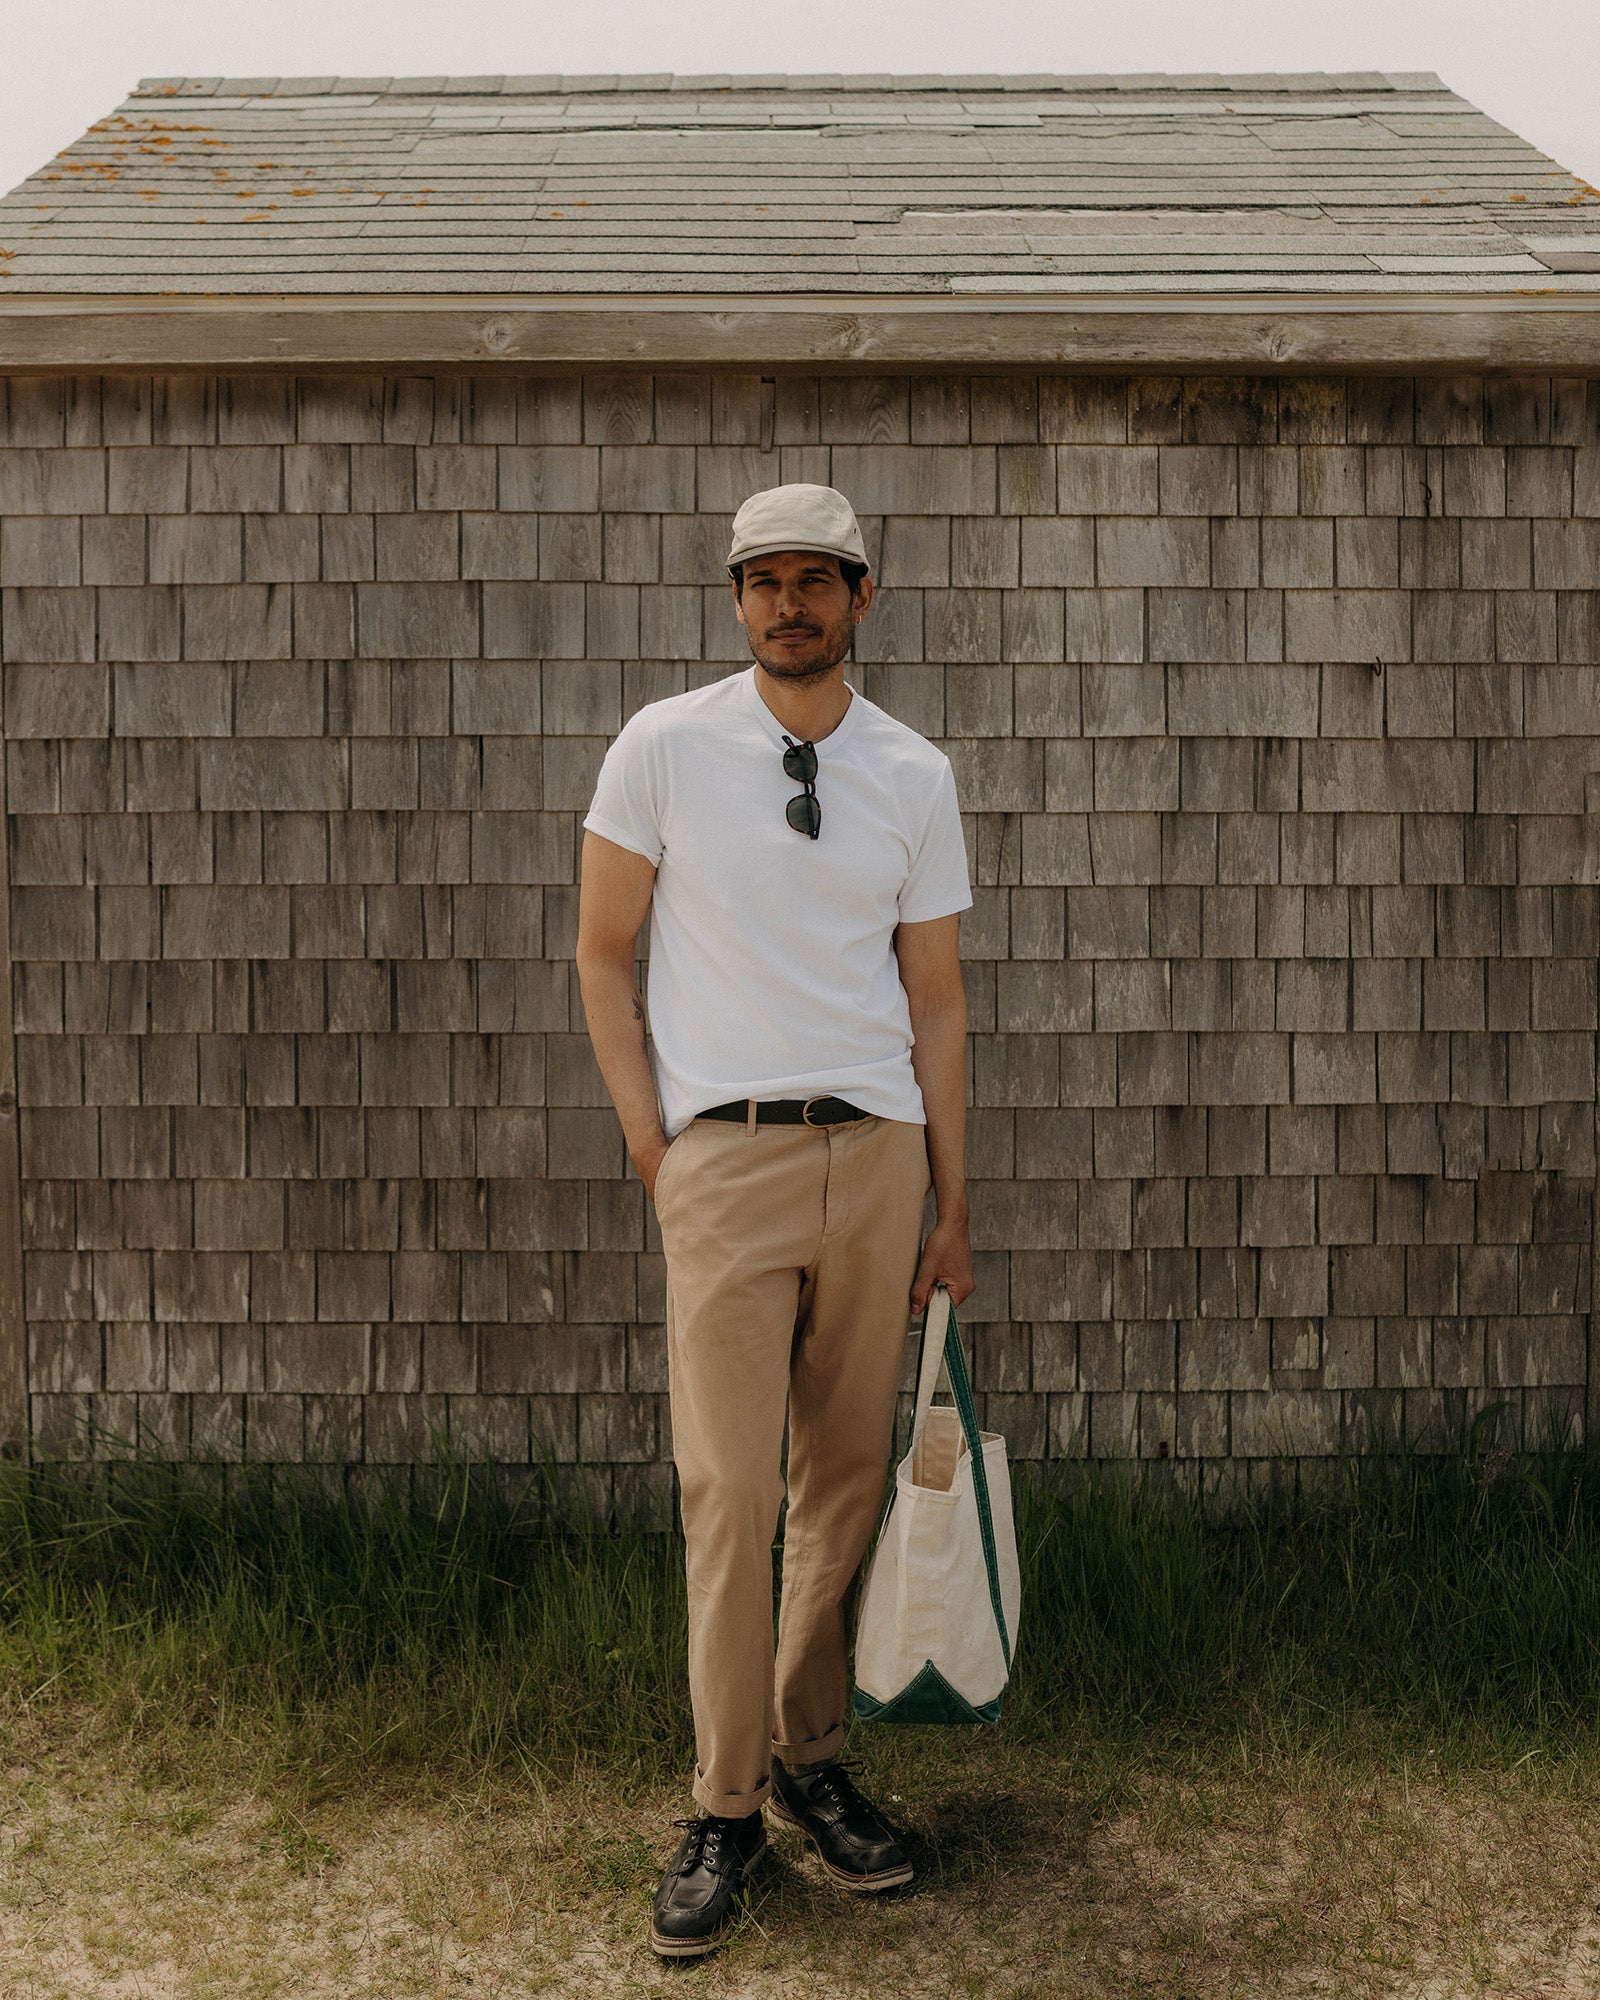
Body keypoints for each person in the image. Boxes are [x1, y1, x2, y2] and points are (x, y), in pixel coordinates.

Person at [576, 483, 974, 1959]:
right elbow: (602, 957)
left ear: (864, 597)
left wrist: (953, 1199)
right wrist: (654, 1147)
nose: (789, 603)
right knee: (731, 1491)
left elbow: (933, 996)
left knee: (845, 1479)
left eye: (818, 579)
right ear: (737, 598)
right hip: (725, 1160)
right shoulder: (665, 748)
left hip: (876, 1160)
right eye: (765, 580)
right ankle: (723, 1806)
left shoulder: (913, 774)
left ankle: (812, 1760)